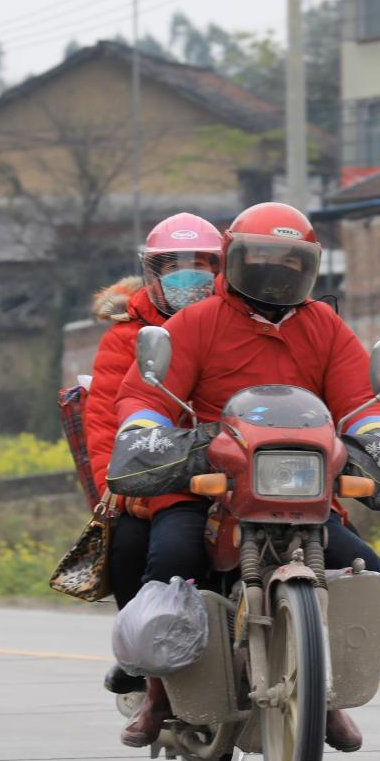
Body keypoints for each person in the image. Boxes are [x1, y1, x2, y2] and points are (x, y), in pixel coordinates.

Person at [114, 201, 380, 750]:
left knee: (362, 565)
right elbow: (145, 395)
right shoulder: (196, 322)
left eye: (290, 261)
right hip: (208, 485)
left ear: (310, 266)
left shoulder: (325, 326)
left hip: (300, 487)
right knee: (171, 559)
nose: (276, 272)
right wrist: (147, 431)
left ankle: (326, 694)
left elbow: (362, 401)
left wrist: (378, 437)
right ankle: (158, 690)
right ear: (233, 259)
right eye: (262, 259)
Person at [85, 212, 222, 693]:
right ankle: (143, 661)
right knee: (130, 545)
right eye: (175, 264)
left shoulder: (232, 323)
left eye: (204, 263)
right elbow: (105, 424)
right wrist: (123, 491)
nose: (192, 274)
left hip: (238, 469)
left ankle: (316, 682)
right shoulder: (126, 337)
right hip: (158, 476)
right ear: (153, 272)